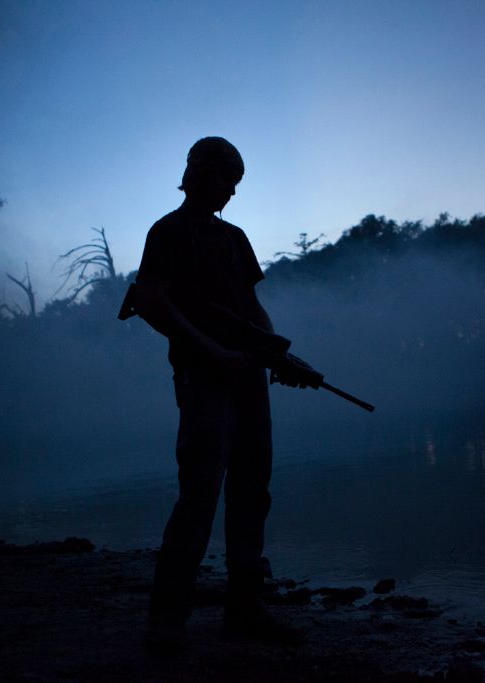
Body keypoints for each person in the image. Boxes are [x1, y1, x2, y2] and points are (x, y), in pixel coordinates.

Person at [132, 137, 315, 653]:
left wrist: (275, 353)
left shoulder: (234, 238)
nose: (231, 192)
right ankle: (166, 621)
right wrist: (215, 353)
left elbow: (252, 308)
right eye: (225, 180)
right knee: (200, 497)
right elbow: (152, 303)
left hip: (247, 377)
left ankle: (245, 608)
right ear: (196, 173)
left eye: (237, 184)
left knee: (252, 491)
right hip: (204, 379)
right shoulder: (167, 231)